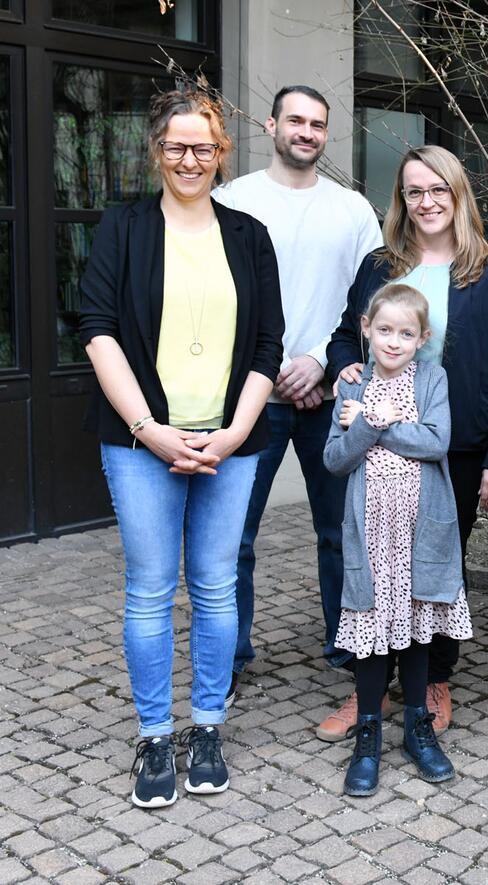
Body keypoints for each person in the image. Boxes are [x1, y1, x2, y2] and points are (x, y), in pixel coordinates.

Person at [78, 90, 283, 808]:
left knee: (218, 586)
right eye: (176, 147)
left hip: (234, 441)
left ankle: (208, 728)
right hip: (142, 442)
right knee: (149, 589)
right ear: (157, 151)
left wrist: (230, 434)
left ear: (221, 154)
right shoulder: (124, 227)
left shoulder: (250, 235)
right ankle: (155, 734)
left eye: (203, 148)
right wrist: (148, 428)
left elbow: (268, 346)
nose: (189, 160)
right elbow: (98, 330)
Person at [327, 145, 488, 734]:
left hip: (451, 448)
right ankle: (373, 689)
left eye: (439, 189)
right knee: (369, 562)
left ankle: (434, 681)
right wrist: (345, 368)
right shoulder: (380, 267)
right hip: (371, 448)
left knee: (437, 566)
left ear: (459, 194)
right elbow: (343, 337)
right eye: (415, 191)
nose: (427, 201)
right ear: (402, 200)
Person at [211, 85, 383, 733]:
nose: (306, 132)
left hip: (330, 392)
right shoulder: (235, 199)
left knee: (342, 533)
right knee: (235, 537)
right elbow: (221, 293)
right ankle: (229, 655)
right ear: (272, 124)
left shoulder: (353, 209)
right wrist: (268, 367)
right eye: (296, 120)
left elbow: (371, 300)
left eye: (318, 123)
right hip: (249, 393)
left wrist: (317, 360)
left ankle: (348, 645)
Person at [324, 283, 469, 795]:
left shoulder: (432, 379)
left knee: (416, 630)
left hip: (417, 533)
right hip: (373, 534)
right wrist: (363, 422)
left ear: (421, 337)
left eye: (405, 333)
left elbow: (436, 441)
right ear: (366, 328)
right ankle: (367, 732)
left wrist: (371, 423)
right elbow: (336, 459)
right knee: (371, 633)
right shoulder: (351, 386)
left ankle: (416, 727)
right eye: (384, 330)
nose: (393, 341)